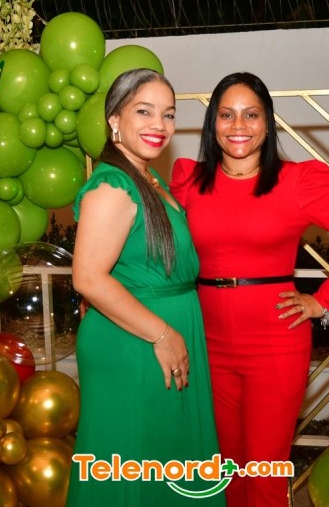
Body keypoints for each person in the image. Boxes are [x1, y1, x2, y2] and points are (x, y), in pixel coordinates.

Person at [170, 72, 329, 506]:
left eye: (251, 115)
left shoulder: (296, 182)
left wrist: (322, 301)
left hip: (274, 346)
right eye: (226, 115)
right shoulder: (190, 182)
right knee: (226, 471)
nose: (238, 125)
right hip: (207, 344)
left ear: (267, 123)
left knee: (263, 472)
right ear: (212, 124)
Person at [67, 68, 225, 506]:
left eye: (168, 114)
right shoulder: (113, 186)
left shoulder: (149, 180)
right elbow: (88, 277)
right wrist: (162, 334)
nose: (159, 124)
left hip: (157, 335)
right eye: (144, 111)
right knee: (134, 463)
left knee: (163, 457)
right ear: (114, 120)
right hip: (138, 344)